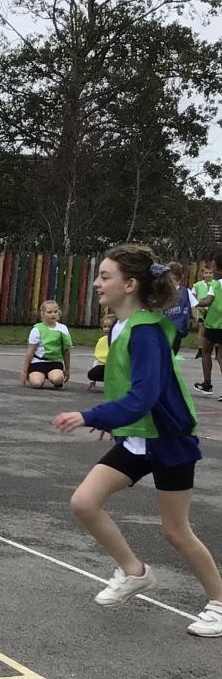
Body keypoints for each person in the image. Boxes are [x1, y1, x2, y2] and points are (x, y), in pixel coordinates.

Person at [53, 244, 221, 638]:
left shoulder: (147, 332)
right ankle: (134, 572)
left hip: (168, 438)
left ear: (129, 284)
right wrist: (114, 419)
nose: (97, 282)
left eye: (106, 276)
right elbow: (126, 386)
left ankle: (218, 601)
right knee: (84, 502)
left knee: (176, 531)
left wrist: (92, 415)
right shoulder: (120, 326)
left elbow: (145, 395)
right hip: (137, 434)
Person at [191, 252, 222, 395]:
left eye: (214, 267)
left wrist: (193, 302)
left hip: (214, 325)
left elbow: (208, 301)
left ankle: (207, 384)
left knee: (206, 352)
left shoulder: (215, 285)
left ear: (219, 270)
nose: (212, 270)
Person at [22, 300, 73, 389]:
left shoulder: (63, 329)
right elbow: (30, 352)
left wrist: (67, 370)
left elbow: (66, 351)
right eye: (49, 312)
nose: (53, 314)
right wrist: (25, 371)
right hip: (38, 362)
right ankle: (37, 376)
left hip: (55, 362)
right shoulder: (37, 329)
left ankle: (55, 377)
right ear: (43, 314)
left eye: (55, 312)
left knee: (57, 379)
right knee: (36, 384)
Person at [163, 261, 192, 356]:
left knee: (168, 354)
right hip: (171, 328)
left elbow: (194, 305)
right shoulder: (186, 292)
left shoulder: (185, 292)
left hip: (172, 328)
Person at [190, 259, 214, 367]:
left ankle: (213, 349)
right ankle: (200, 350)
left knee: (212, 332)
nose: (208, 275)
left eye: (210, 273)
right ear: (203, 274)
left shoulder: (215, 285)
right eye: (206, 273)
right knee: (201, 331)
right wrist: (196, 309)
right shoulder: (197, 285)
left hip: (213, 312)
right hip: (201, 311)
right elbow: (193, 298)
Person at [86, 312, 116, 391]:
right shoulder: (101, 340)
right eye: (105, 326)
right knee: (92, 374)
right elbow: (97, 359)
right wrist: (92, 381)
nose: (106, 329)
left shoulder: (120, 340)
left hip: (116, 367)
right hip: (104, 366)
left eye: (109, 327)